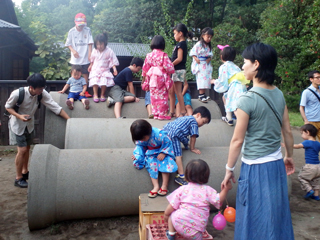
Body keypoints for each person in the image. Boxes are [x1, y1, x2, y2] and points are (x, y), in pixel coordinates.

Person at [221, 43, 295, 239]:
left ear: (256, 64)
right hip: (276, 166)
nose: (242, 66)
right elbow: (287, 131)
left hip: (255, 168)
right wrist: (289, 156)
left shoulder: (247, 99)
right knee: (275, 217)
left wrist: (229, 170)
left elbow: (237, 140)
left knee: (253, 219)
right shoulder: (279, 94)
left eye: (245, 62)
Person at [5, 73, 70, 188]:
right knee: (22, 150)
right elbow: (8, 107)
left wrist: (70, 121)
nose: (42, 90)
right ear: (31, 87)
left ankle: (25, 172)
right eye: (40, 88)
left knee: (28, 148)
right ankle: (18, 178)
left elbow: (55, 107)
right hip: (17, 125)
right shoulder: (18, 94)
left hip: (29, 124)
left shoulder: (41, 94)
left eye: (43, 88)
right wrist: (19, 116)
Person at [164, 159, 232, 240]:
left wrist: (166, 215)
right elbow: (218, 200)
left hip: (179, 223)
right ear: (206, 175)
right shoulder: (207, 190)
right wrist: (225, 189)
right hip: (196, 230)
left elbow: (172, 206)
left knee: (172, 215)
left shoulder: (183, 189)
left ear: (187, 174)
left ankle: (171, 234)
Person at [163, 106, 211, 186]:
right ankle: (181, 176)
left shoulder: (185, 118)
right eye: (203, 122)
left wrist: (186, 145)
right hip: (174, 135)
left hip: (165, 131)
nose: (202, 125)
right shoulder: (193, 122)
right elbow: (193, 136)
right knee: (178, 155)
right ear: (198, 115)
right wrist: (192, 148)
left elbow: (183, 137)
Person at [130, 119, 178, 198]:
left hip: (162, 151)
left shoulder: (160, 135)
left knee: (165, 164)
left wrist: (163, 152)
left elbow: (168, 143)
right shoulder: (141, 139)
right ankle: (155, 186)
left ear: (148, 132)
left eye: (143, 138)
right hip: (151, 153)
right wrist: (138, 155)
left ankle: (164, 186)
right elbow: (140, 147)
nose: (142, 140)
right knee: (151, 165)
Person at [211, 45, 249, 126]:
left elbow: (222, 81)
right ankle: (229, 118)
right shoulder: (236, 67)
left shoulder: (223, 67)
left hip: (234, 87)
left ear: (221, 57)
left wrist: (214, 81)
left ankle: (242, 123)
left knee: (234, 106)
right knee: (226, 98)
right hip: (241, 86)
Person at [141, 35, 175, 120]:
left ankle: (155, 113)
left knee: (154, 95)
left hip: (152, 77)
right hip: (161, 77)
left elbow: (145, 68)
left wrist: (144, 79)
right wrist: (169, 70)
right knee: (162, 96)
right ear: (162, 44)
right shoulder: (163, 55)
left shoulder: (148, 55)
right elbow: (169, 67)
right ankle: (162, 114)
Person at [65, 13, 94, 98]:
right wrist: (73, 51)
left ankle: (85, 91)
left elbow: (90, 43)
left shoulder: (87, 30)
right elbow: (68, 44)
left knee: (85, 74)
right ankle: (72, 91)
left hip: (85, 57)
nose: (81, 27)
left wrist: (90, 54)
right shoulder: (71, 31)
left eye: (82, 25)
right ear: (75, 22)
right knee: (74, 74)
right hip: (75, 58)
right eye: (79, 26)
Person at [88, 32, 119, 103]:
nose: (99, 46)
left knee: (103, 82)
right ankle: (95, 94)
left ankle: (102, 94)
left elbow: (112, 61)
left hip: (105, 70)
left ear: (104, 43)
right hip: (95, 69)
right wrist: (90, 65)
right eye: (97, 44)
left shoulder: (109, 51)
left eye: (101, 44)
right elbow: (92, 59)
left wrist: (114, 69)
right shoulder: (94, 51)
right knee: (94, 81)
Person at [169, 23, 191, 118]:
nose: (174, 36)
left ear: (180, 33)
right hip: (176, 70)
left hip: (178, 70)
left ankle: (182, 111)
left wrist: (170, 65)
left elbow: (179, 58)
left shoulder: (181, 44)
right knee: (172, 91)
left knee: (178, 91)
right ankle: (171, 111)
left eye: (175, 33)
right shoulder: (181, 44)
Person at [293, 124, 320, 201]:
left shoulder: (307, 142)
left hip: (310, 166)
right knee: (316, 181)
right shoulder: (318, 143)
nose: (301, 135)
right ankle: (316, 195)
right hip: (318, 166)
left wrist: (287, 145)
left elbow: (297, 146)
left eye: (302, 133)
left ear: (307, 132)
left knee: (301, 177)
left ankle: (309, 190)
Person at [189, 27, 213, 103]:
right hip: (200, 64)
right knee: (201, 80)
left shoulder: (208, 46)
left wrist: (209, 58)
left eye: (210, 37)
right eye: (208, 36)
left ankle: (204, 94)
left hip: (206, 64)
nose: (209, 38)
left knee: (206, 79)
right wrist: (195, 58)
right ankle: (201, 94)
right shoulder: (199, 44)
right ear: (203, 35)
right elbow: (192, 52)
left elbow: (210, 54)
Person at [300, 70, 320, 140]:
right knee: (312, 143)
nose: (319, 79)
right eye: (317, 78)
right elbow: (301, 107)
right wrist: (306, 120)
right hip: (311, 121)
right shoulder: (306, 92)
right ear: (311, 79)